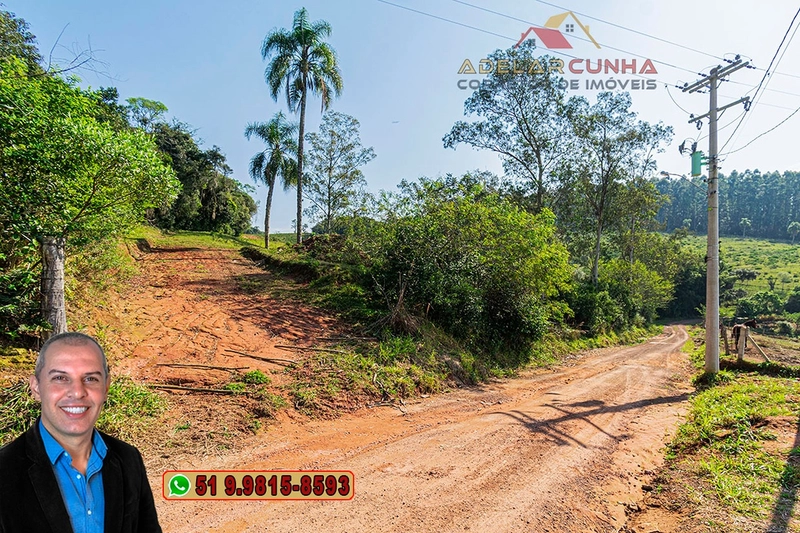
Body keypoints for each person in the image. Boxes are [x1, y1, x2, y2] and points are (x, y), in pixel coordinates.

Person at [0, 332, 162, 533]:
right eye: (60, 378)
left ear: (106, 388)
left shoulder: (129, 459)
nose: (77, 392)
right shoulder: (4, 471)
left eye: (91, 378)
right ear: (36, 387)